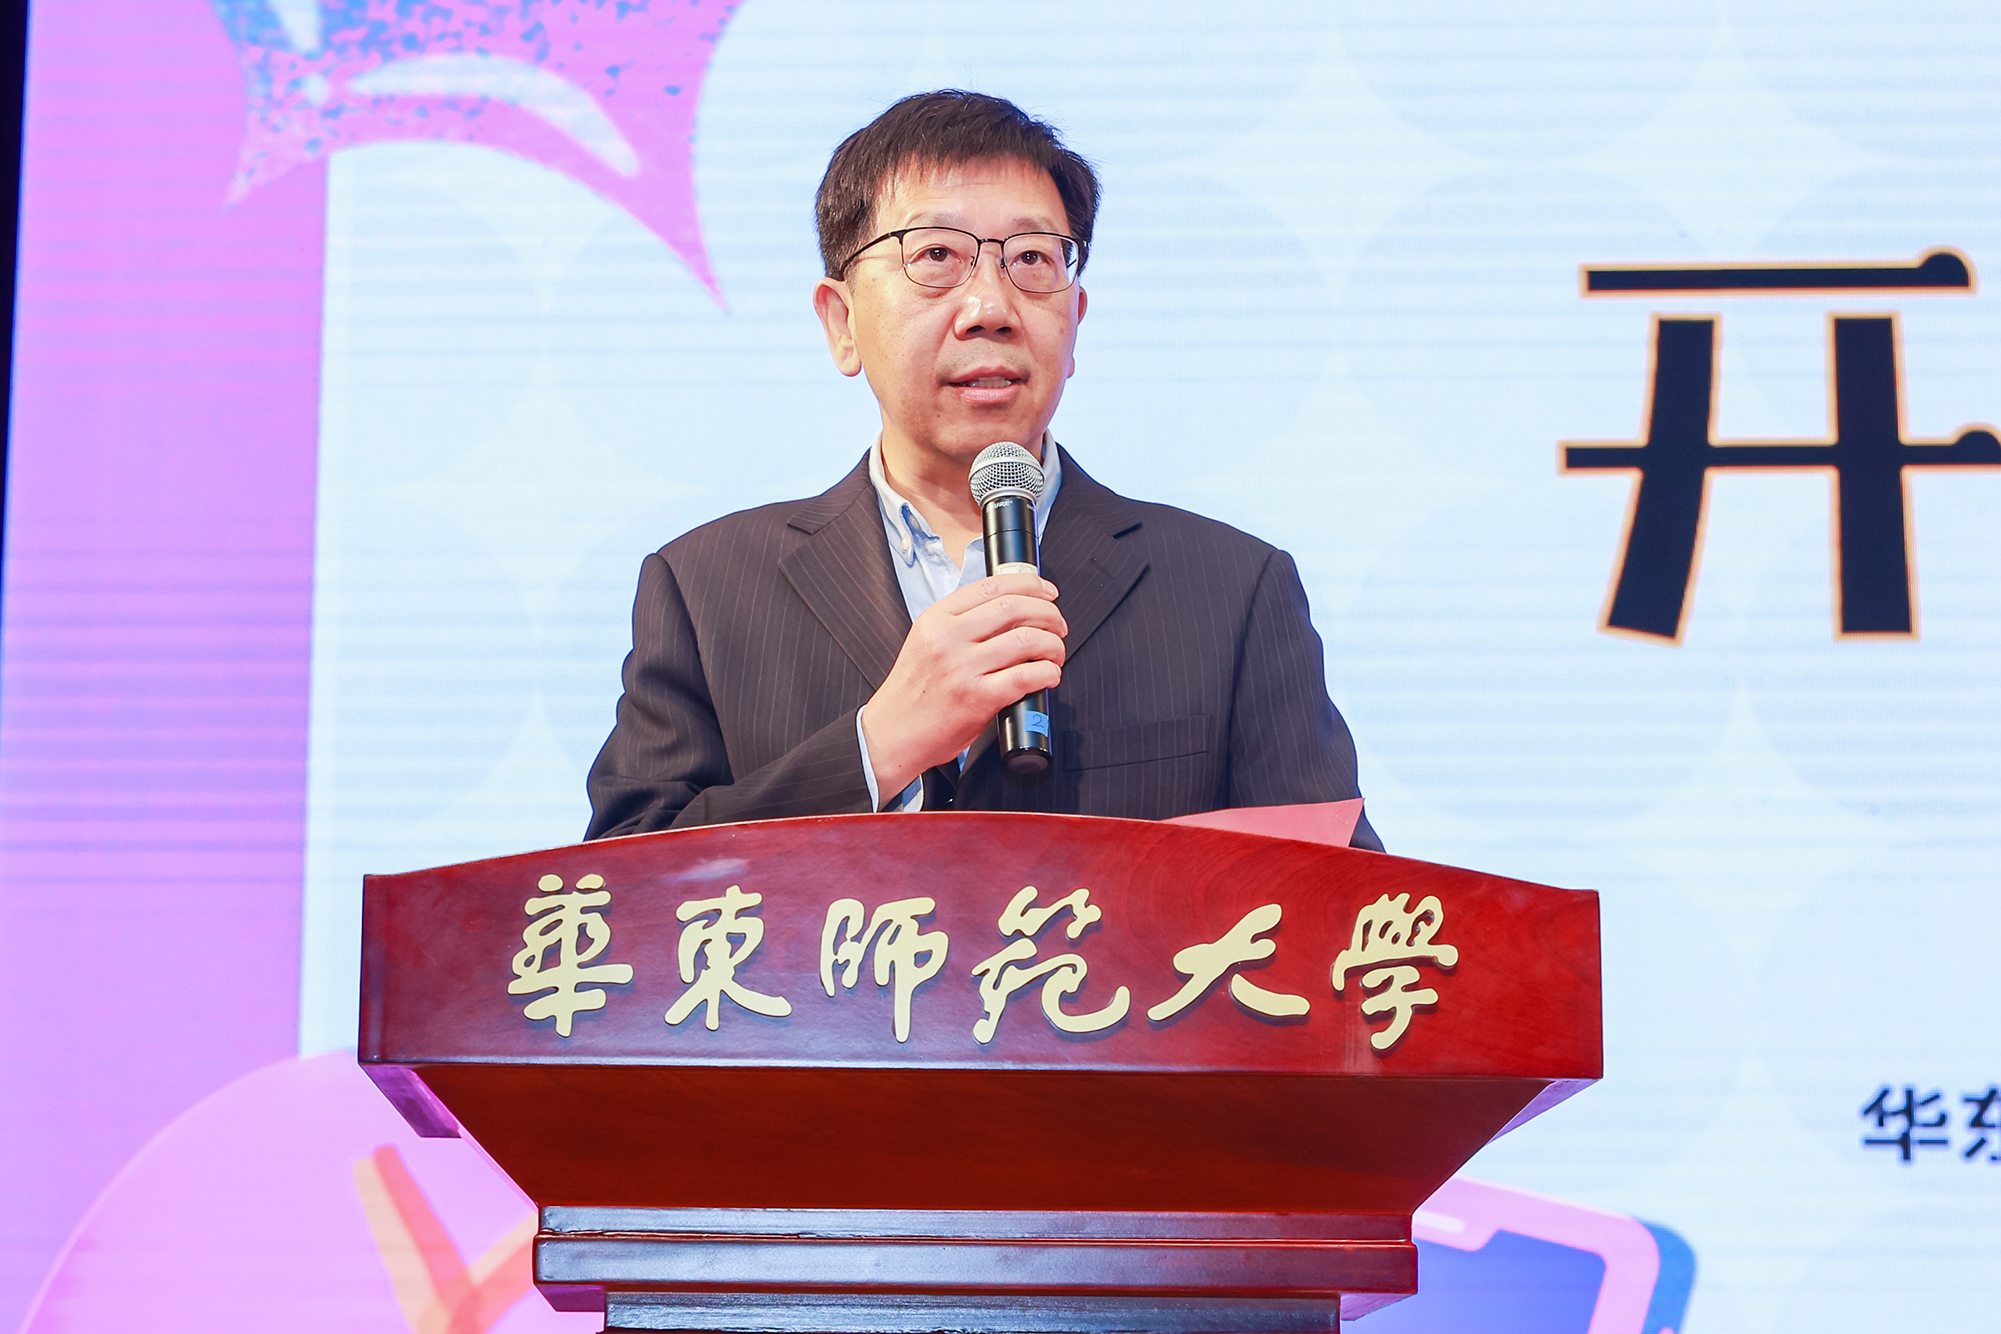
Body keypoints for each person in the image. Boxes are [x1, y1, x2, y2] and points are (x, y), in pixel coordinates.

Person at [585, 90, 1381, 850]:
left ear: (1074, 319)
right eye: (936, 256)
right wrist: (876, 748)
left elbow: (1343, 898)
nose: (991, 308)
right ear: (841, 323)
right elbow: (616, 895)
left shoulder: (1231, 590)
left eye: (1032, 258)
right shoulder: (705, 588)